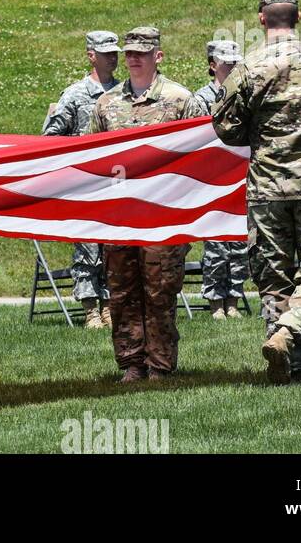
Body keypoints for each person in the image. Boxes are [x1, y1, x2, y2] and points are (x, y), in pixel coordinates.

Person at [212, 0, 301, 384]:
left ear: (261, 20)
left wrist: (260, 135)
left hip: (267, 188)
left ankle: (286, 353)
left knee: (274, 277)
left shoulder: (249, 68)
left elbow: (226, 128)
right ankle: (290, 341)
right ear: (299, 18)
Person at [89, 27, 205, 382]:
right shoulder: (107, 104)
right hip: (120, 215)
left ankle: (160, 365)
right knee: (123, 291)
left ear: (159, 56)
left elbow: (200, 153)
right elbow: (92, 156)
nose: (134, 58)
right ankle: (131, 364)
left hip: (163, 214)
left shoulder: (181, 100)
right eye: (129, 53)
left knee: (160, 291)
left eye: (142, 51)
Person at [43, 31, 121, 329]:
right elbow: (50, 137)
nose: (113, 57)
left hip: (116, 181)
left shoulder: (124, 93)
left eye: (115, 52)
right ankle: (91, 308)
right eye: (106, 53)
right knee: (88, 246)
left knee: (114, 246)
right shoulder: (75, 94)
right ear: (92, 55)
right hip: (85, 182)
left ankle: (111, 306)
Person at [193, 40, 248, 320]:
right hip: (212, 177)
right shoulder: (201, 98)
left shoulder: (245, 94)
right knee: (216, 243)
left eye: (237, 63)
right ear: (213, 65)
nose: (233, 67)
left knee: (239, 241)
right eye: (228, 63)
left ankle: (234, 300)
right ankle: (216, 301)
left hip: (239, 175)